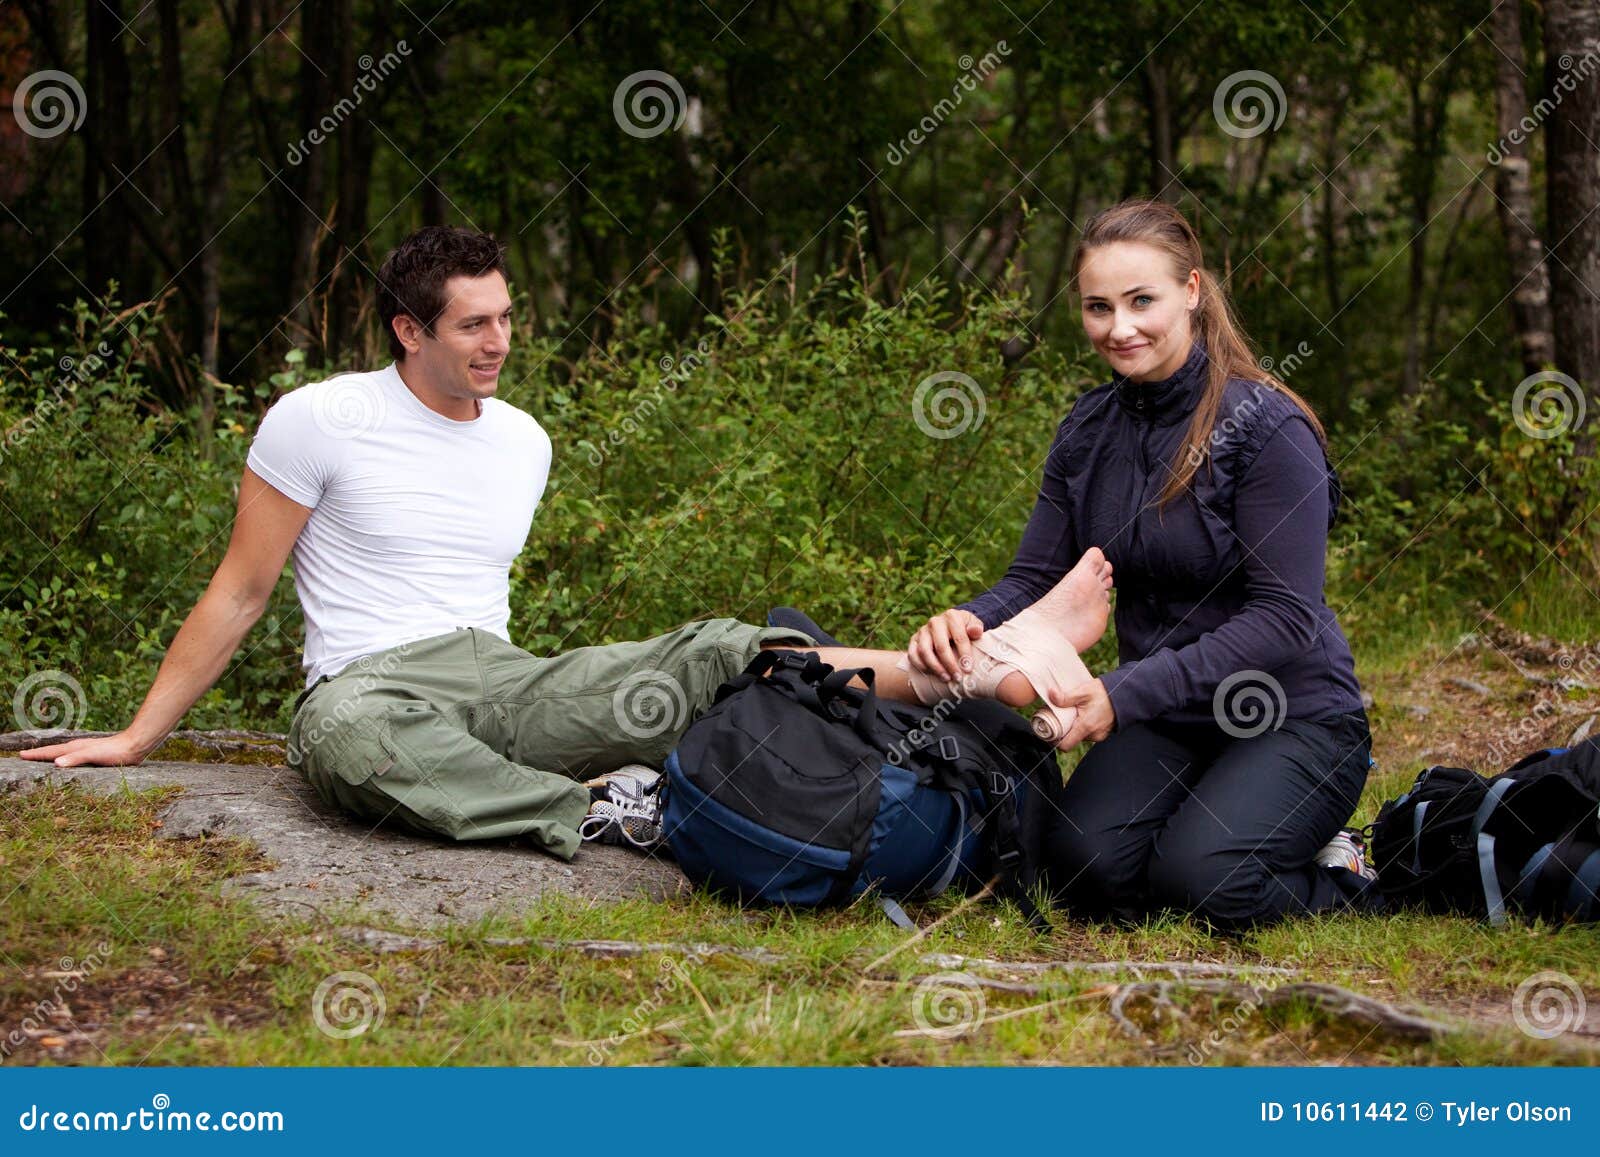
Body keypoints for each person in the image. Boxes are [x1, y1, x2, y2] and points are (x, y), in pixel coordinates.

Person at [21, 225, 1113, 861]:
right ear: (408, 329)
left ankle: (979, 668)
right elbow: (241, 589)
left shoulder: (524, 440)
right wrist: (137, 735)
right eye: (473, 324)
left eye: (507, 316)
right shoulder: (319, 418)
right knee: (347, 739)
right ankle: (596, 808)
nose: (500, 341)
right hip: (370, 685)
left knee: (709, 647)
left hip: (502, 680)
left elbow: (491, 624)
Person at [907, 199, 1377, 931]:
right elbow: (1034, 578)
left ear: (1191, 291)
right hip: (1169, 717)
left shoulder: (1268, 427)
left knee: (1205, 881)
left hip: (1293, 713)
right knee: (1080, 869)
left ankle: (1346, 872)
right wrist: (966, 620)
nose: (1119, 328)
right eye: (1098, 307)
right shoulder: (1088, 429)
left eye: (1141, 301)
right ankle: (1213, 826)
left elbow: (1286, 617)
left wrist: (1119, 693)